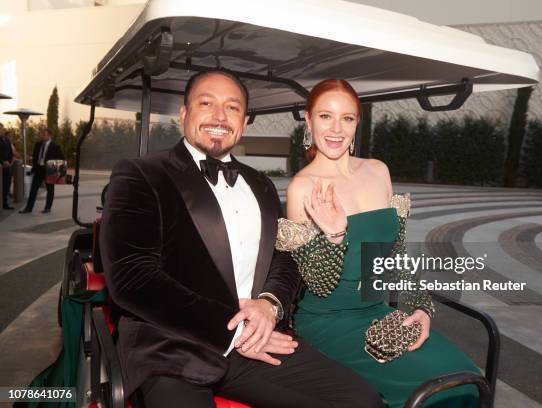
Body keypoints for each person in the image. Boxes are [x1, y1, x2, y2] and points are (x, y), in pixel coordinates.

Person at [100, 70, 383, 408]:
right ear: (184, 113)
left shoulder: (261, 184)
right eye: (207, 103)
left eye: (232, 108)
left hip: (257, 340)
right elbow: (134, 278)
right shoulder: (140, 174)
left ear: (244, 121)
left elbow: (284, 257)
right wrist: (234, 331)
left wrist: (269, 305)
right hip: (172, 347)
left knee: (361, 401)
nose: (220, 116)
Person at [279, 79, 481, 408]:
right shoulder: (303, 188)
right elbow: (318, 283)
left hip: (377, 309)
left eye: (347, 118)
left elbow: (395, 252)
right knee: (432, 391)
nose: (336, 128)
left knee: (465, 377)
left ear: (358, 123)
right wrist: (334, 236)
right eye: (325, 116)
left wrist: (420, 307)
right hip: (329, 321)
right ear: (308, 119)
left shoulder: (377, 170)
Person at [19, 128, 64, 213]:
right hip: (39, 170)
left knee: (50, 190)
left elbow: (61, 159)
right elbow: (35, 157)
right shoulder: (38, 145)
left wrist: (55, 170)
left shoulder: (55, 147)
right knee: (33, 189)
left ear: (49, 136)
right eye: (41, 134)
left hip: (49, 171)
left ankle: (47, 208)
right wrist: (34, 168)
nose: (42, 136)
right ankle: (28, 208)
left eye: (44, 134)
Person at [0, 122, 14, 209]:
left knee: (6, 185)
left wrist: (8, 161)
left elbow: (10, 152)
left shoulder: (7, 139)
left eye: (2, 129)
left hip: (7, 166)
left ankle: (5, 203)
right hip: (0, 166)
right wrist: (2, 162)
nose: (1, 130)